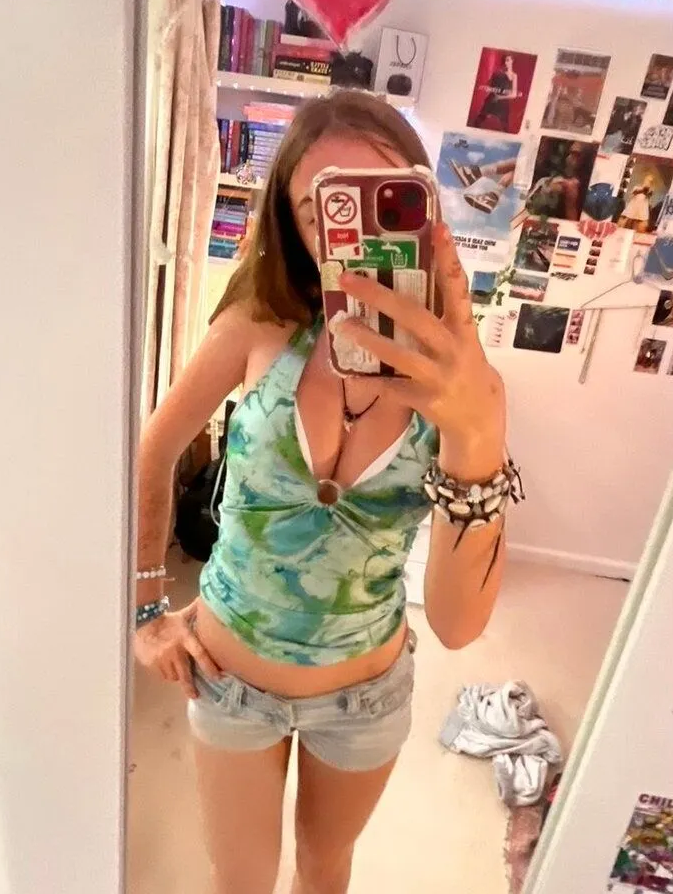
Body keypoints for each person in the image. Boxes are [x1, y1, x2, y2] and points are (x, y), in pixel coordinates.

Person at [134, 92, 513, 894]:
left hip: (364, 696)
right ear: (297, 227)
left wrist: (477, 436)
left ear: (425, 210)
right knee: (239, 879)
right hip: (227, 676)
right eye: (328, 210)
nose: (359, 238)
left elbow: (457, 624)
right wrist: (144, 609)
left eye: (386, 201)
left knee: (324, 867)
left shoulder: (463, 386)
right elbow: (156, 447)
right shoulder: (256, 322)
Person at [472, 53, 519, 131]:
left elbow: (514, 95)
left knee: (505, 127)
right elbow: (489, 85)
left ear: (512, 61)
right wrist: (487, 88)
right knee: (478, 121)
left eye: (508, 60)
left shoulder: (514, 76)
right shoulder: (497, 73)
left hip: (503, 103)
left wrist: (500, 97)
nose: (505, 62)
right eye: (504, 61)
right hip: (492, 100)